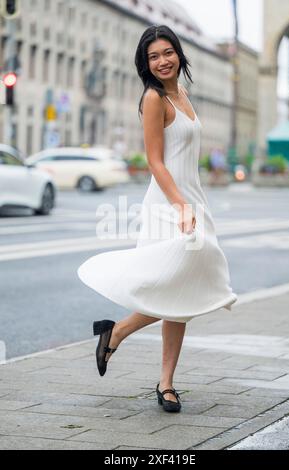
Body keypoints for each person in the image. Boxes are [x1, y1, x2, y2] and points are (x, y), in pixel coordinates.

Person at [77, 25, 237, 413]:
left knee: (181, 290)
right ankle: (116, 332)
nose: (162, 61)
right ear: (145, 63)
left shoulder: (182, 94)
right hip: (168, 202)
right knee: (171, 285)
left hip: (191, 198)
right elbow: (154, 161)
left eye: (167, 52)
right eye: (153, 56)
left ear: (179, 54)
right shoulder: (153, 98)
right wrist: (181, 206)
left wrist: (193, 203)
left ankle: (164, 381)